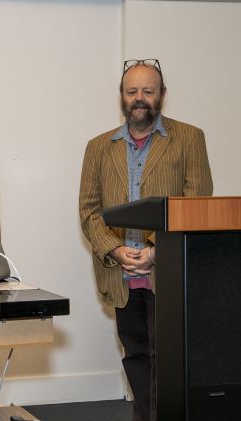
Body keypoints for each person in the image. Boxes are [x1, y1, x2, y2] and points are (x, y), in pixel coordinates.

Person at [78, 59, 212, 421]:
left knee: (167, 361)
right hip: (119, 275)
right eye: (132, 91)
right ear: (122, 96)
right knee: (135, 357)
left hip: (167, 274)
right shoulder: (98, 147)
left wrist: (156, 252)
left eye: (148, 91)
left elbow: (197, 207)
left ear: (162, 95)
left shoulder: (190, 138)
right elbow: (89, 210)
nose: (139, 98)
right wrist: (115, 249)